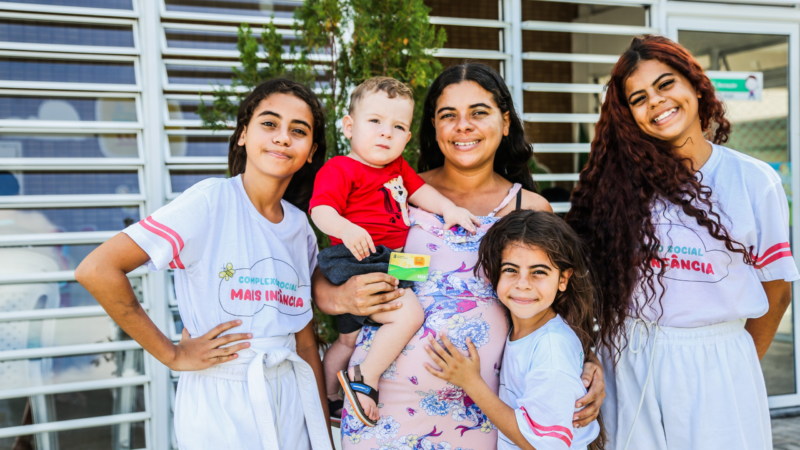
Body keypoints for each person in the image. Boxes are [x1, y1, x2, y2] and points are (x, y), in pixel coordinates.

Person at [312, 63, 606, 450]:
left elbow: (559, 303)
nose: (463, 126)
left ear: (504, 123)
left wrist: (588, 363)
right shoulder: (396, 186)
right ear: (434, 127)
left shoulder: (529, 207)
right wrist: (338, 298)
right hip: (380, 404)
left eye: (478, 113)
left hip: (479, 411)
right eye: (448, 115)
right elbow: (329, 265)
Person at [566, 35, 798, 450]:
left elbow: (777, 291)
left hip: (718, 359)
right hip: (627, 357)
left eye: (665, 84)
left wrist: (733, 364)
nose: (655, 102)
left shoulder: (753, 180)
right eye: (638, 97)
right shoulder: (616, 185)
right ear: (628, 114)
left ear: (694, 85)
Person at [75, 79, 333, 450]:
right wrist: (172, 353)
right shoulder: (210, 202)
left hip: (291, 393)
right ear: (243, 134)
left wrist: (321, 432)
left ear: (311, 152)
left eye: (298, 130)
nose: (282, 137)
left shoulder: (299, 227)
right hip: (220, 398)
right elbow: (97, 270)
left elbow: (304, 339)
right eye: (269, 123)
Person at [310, 77, 479, 427]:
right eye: (375, 121)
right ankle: (364, 377)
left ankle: (329, 402)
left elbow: (421, 194)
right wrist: (345, 227)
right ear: (349, 126)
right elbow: (320, 211)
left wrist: (448, 209)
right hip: (358, 257)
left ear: (406, 137)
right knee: (409, 313)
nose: (386, 133)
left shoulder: (398, 169)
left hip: (391, 257)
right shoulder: (341, 168)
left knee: (347, 338)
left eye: (398, 126)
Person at [424, 210, 603, 450]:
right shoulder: (523, 329)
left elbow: (540, 445)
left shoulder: (552, 351)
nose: (522, 284)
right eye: (511, 270)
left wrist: (470, 382)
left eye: (539, 272)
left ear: (563, 279)